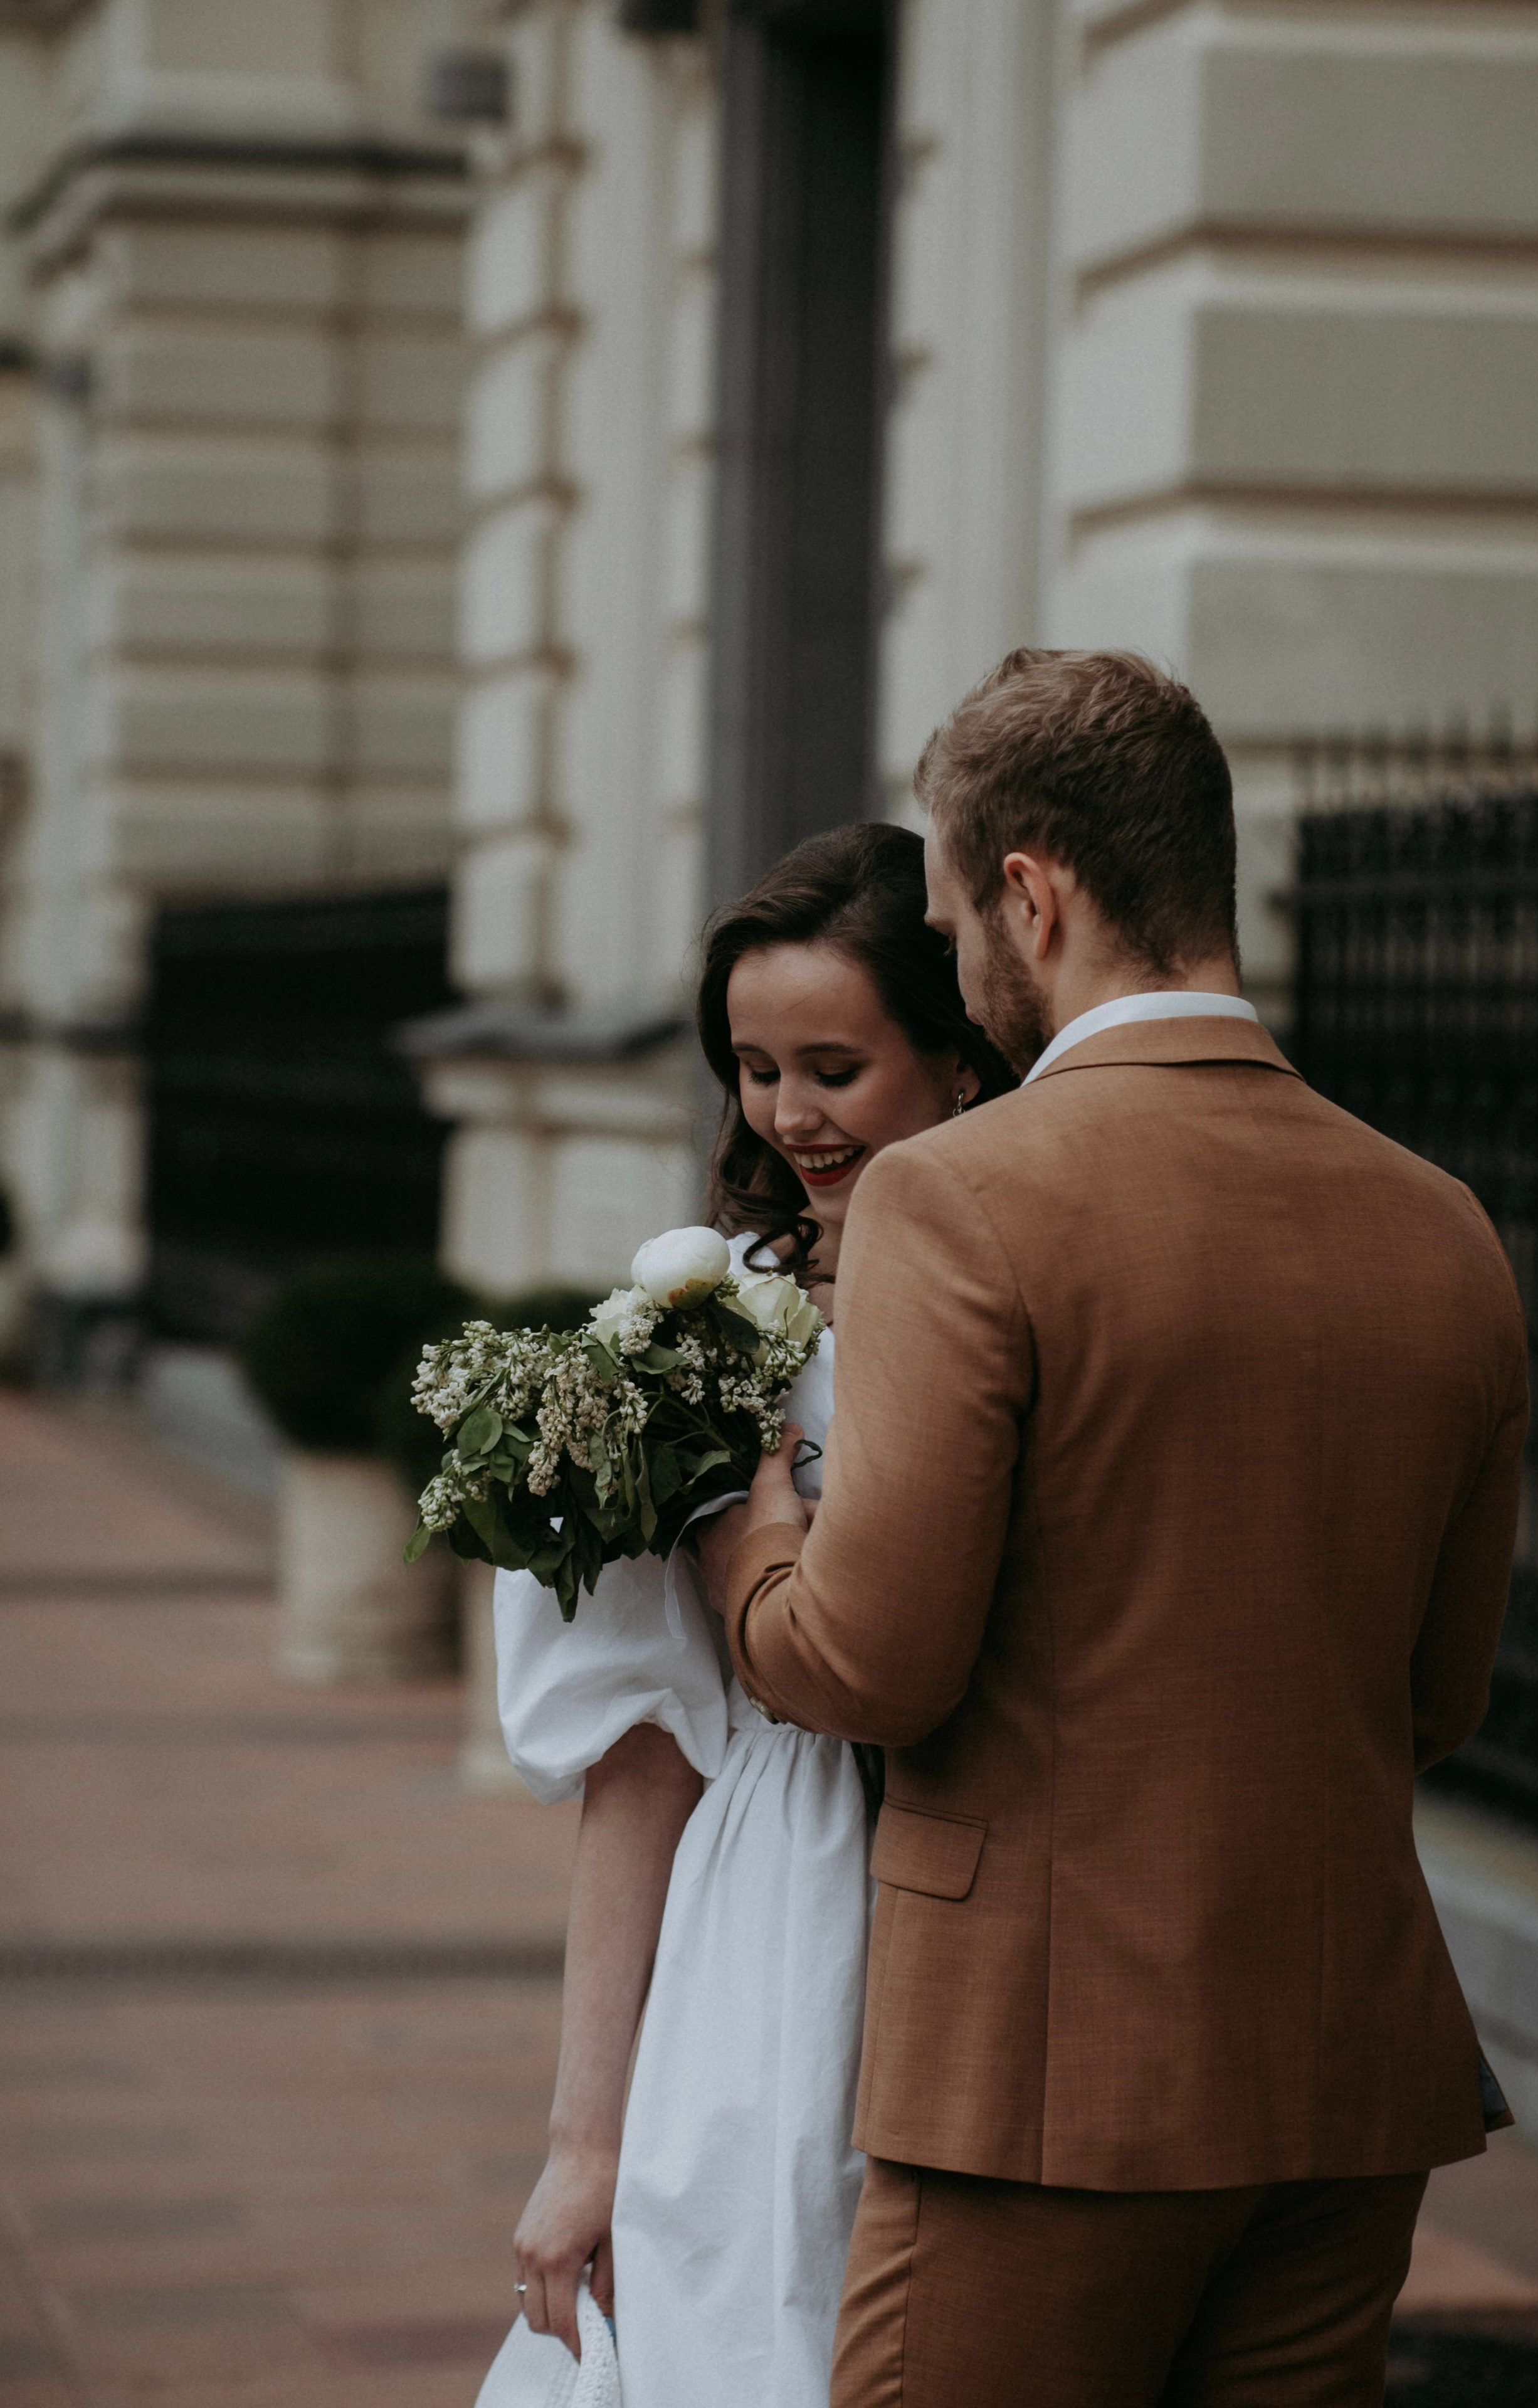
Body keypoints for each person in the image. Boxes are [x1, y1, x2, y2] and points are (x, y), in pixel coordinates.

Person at [698, 650, 1528, 2408]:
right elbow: (1443, 1697)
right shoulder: (1446, 1226)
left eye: (947, 922)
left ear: (1031, 892)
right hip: (1345, 2078)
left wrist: (743, 1546)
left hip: (1044, 2081)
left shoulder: (960, 1196)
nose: (960, 975)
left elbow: (871, 1661)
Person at [473, 824, 1013, 2408]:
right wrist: (584, 2144)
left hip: (1003, 1888)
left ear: (961, 1059)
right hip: (775, 1921)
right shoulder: (703, 1330)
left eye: (832, 1066)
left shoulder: (1039, 1302)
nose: (786, 1114)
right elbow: (641, 1769)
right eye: (755, 1067)